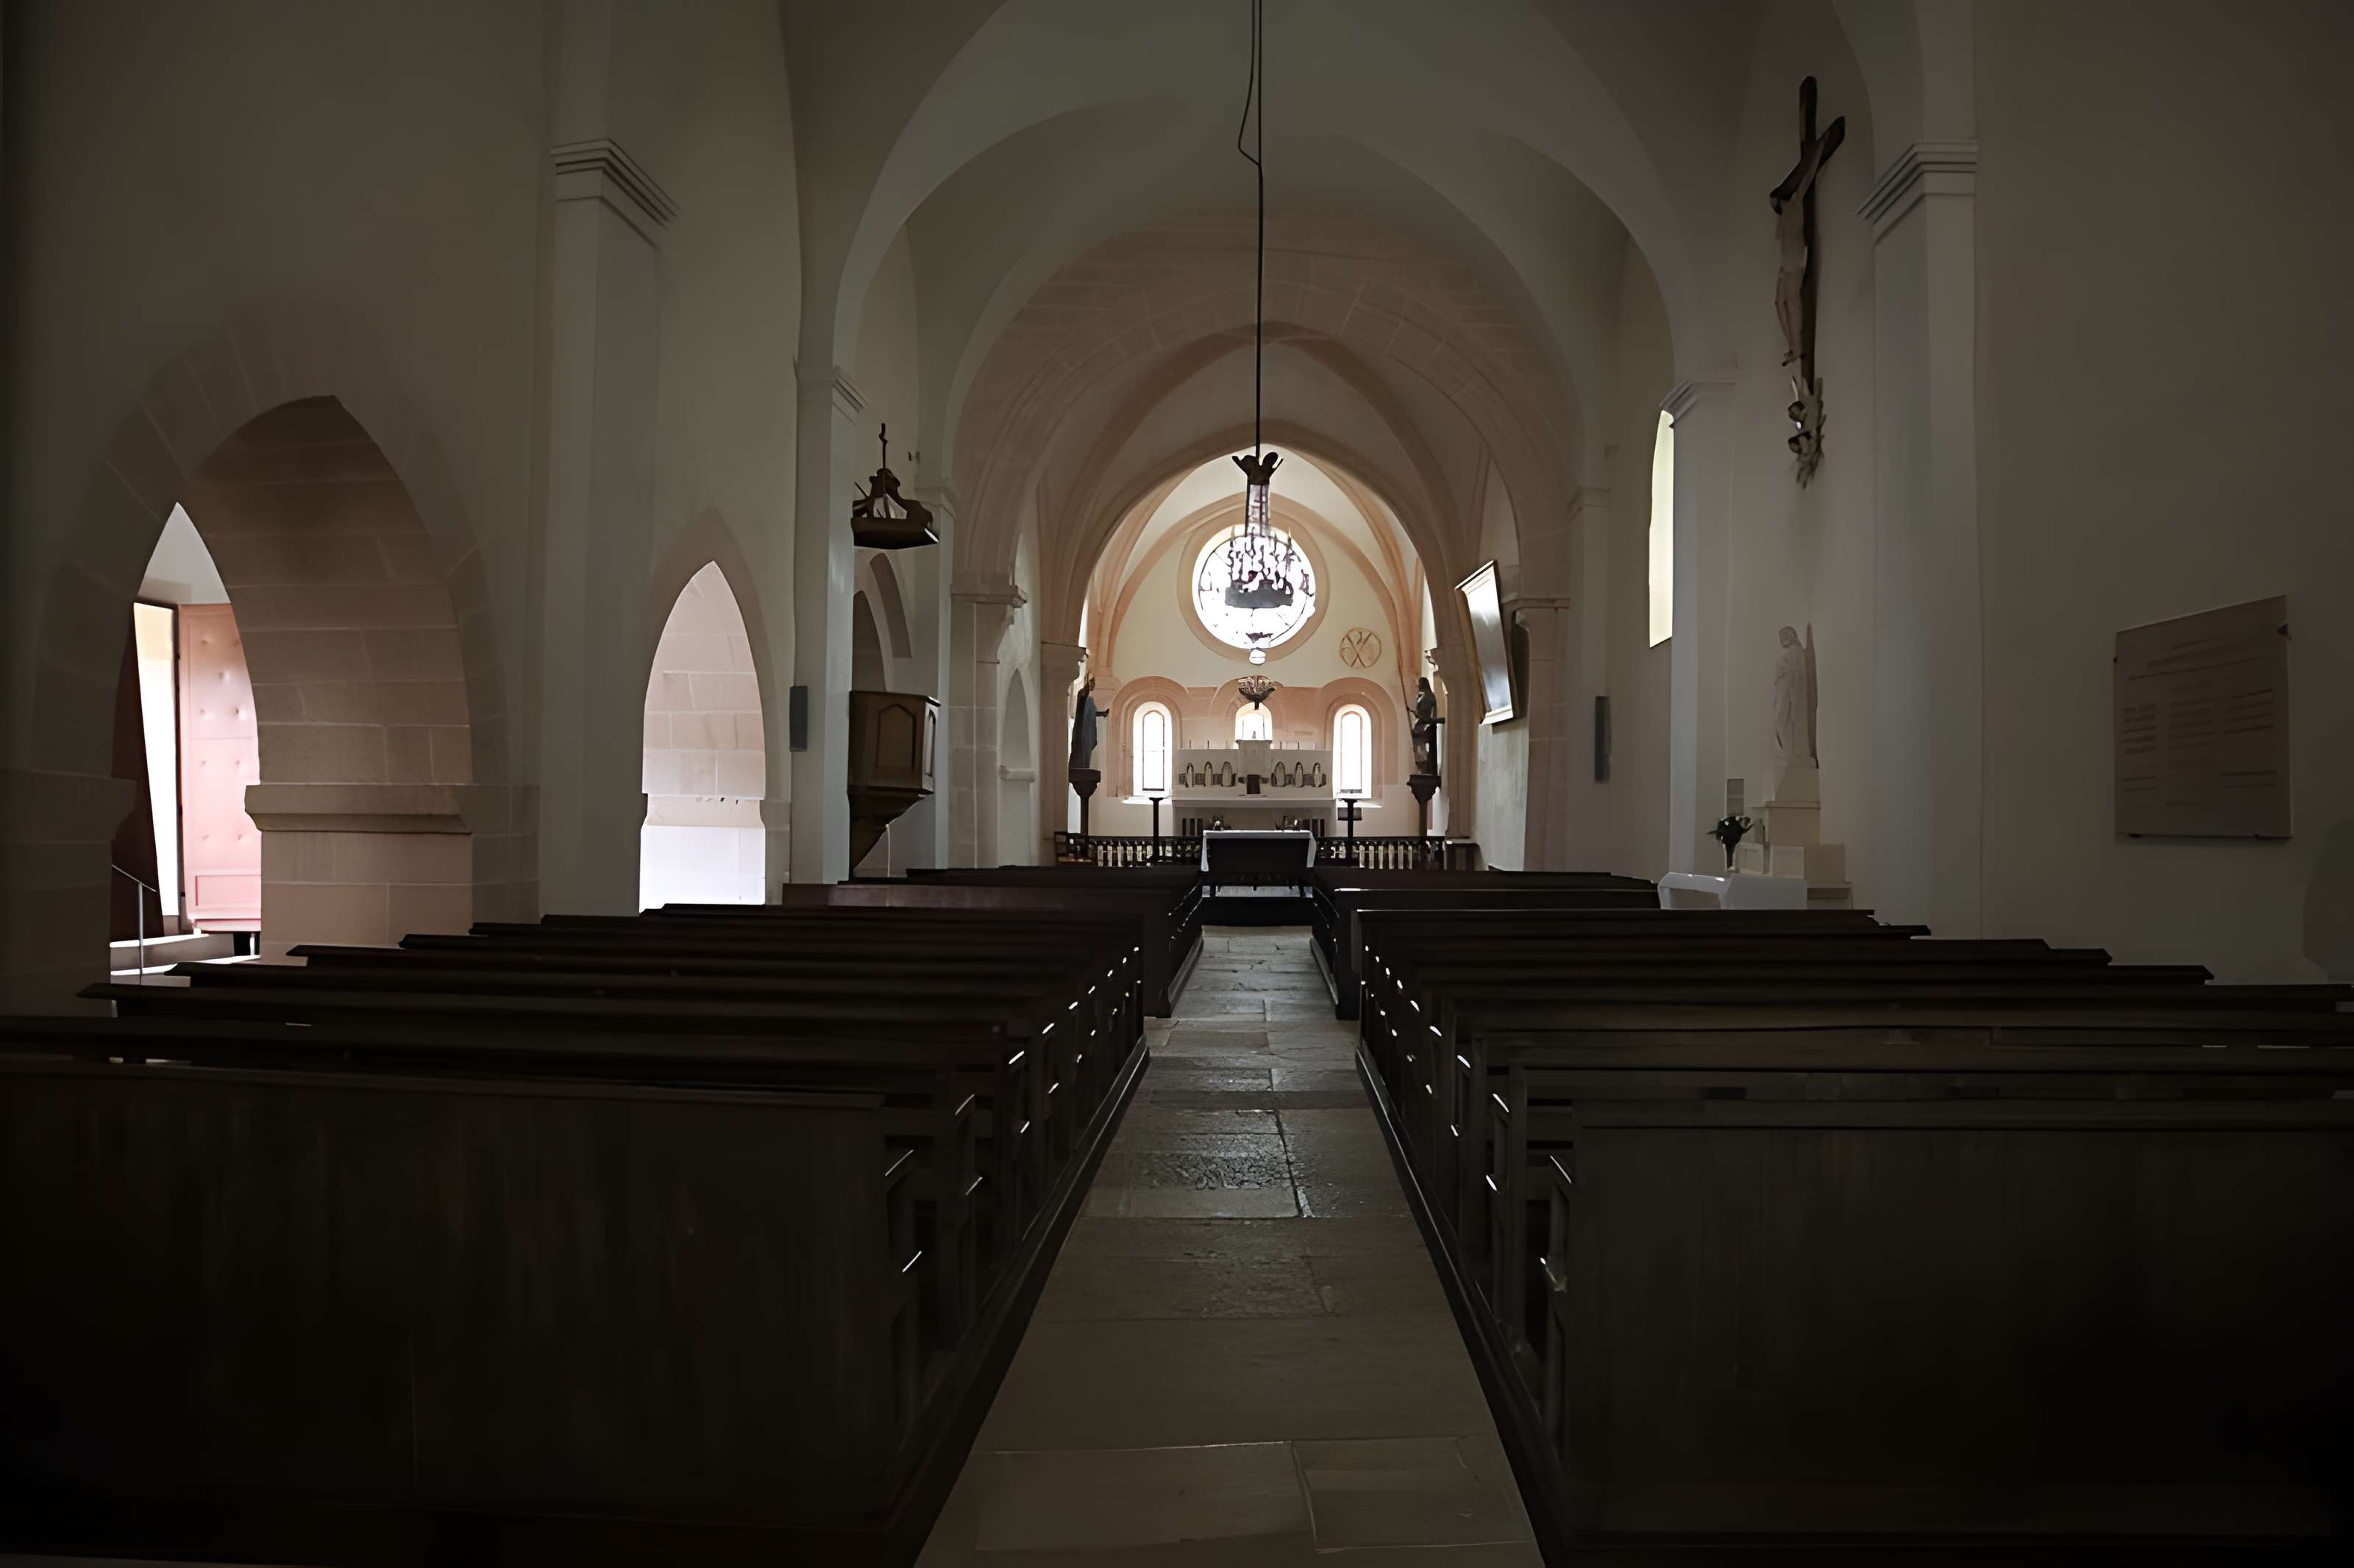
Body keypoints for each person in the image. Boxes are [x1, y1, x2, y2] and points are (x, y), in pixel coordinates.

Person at [1069, 676, 1099, 771]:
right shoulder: (1084, 695)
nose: (1092, 684)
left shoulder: (1092, 698)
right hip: (1082, 731)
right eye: (1090, 682)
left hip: (1088, 731)